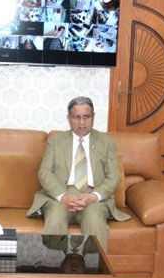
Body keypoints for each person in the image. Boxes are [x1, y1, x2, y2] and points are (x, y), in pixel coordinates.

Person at [27, 96, 129, 248]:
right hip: (60, 197)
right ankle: (54, 269)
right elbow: (45, 173)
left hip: (93, 197)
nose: (82, 122)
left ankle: (93, 270)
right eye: (76, 117)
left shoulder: (107, 142)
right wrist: (64, 196)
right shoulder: (56, 141)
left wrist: (93, 197)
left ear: (93, 116)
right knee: (55, 221)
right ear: (69, 118)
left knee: (95, 224)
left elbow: (113, 177)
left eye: (86, 117)